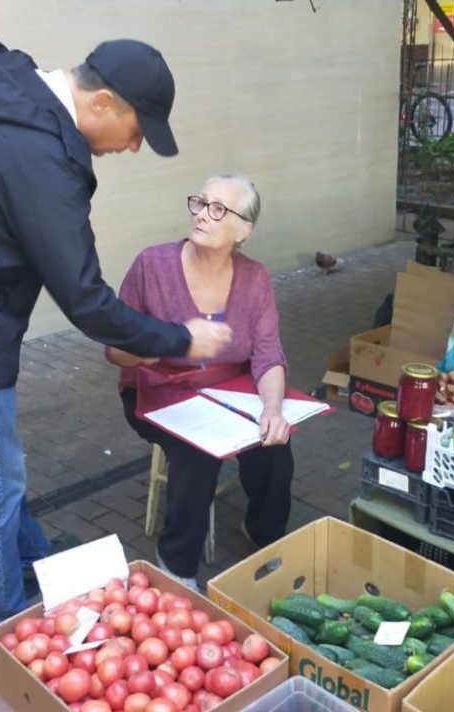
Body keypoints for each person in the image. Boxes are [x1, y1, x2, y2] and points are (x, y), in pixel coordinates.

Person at [0, 32, 232, 672]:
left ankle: (31, 555)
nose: (135, 145)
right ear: (103, 102)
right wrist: (179, 339)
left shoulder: (1, 91)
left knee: (0, 469)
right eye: (138, 129)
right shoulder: (37, 152)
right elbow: (86, 300)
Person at [106, 175, 295, 590]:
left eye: (218, 209)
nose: (202, 215)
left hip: (230, 394)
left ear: (243, 230)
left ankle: (264, 535)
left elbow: (267, 355)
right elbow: (116, 352)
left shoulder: (255, 278)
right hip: (157, 393)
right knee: (197, 452)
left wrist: (273, 410)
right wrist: (170, 343)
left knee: (275, 447)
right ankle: (176, 564)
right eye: (200, 203)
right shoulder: (152, 266)